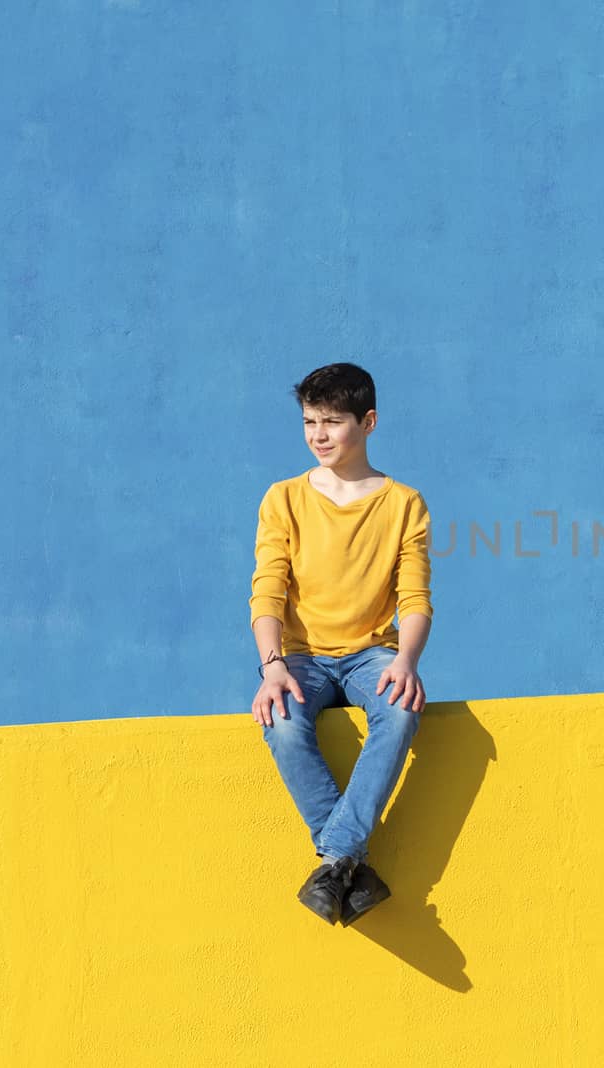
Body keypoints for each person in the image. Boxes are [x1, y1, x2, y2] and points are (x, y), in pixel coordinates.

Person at [247, 361, 434, 926]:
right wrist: (271, 666)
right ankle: (347, 858)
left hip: (372, 653)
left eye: (332, 421)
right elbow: (268, 588)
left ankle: (334, 860)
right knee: (279, 720)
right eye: (309, 421)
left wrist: (406, 660)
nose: (318, 435)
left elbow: (416, 598)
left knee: (400, 714)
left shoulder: (403, 503)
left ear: (368, 422)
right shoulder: (283, 498)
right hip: (300, 657)